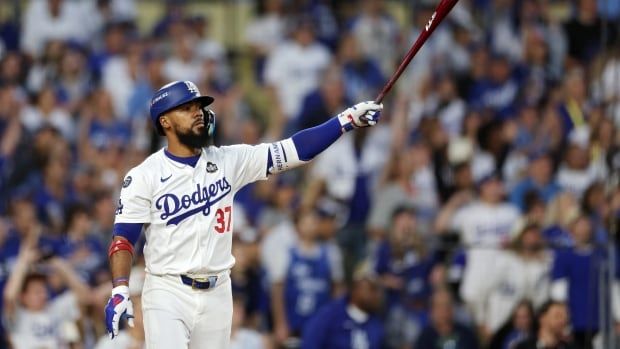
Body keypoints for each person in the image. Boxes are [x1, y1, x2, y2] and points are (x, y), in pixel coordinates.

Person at [104, 80, 383, 348]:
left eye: (198, 107)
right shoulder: (144, 176)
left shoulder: (228, 160)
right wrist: (119, 289)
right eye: (186, 108)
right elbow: (124, 239)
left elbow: (294, 149)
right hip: (168, 291)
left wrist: (345, 121)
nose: (197, 113)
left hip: (218, 291)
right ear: (165, 122)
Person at [300, 262, 384, 349]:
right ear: (355, 288)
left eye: (379, 290)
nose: (377, 295)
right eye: (372, 289)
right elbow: (310, 344)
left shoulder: (376, 322)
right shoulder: (329, 316)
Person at [415, 288, 479, 349]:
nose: (444, 311)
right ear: (432, 311)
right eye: (439, 306)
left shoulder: (466, 335)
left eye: (447, 305)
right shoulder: (424, 339)